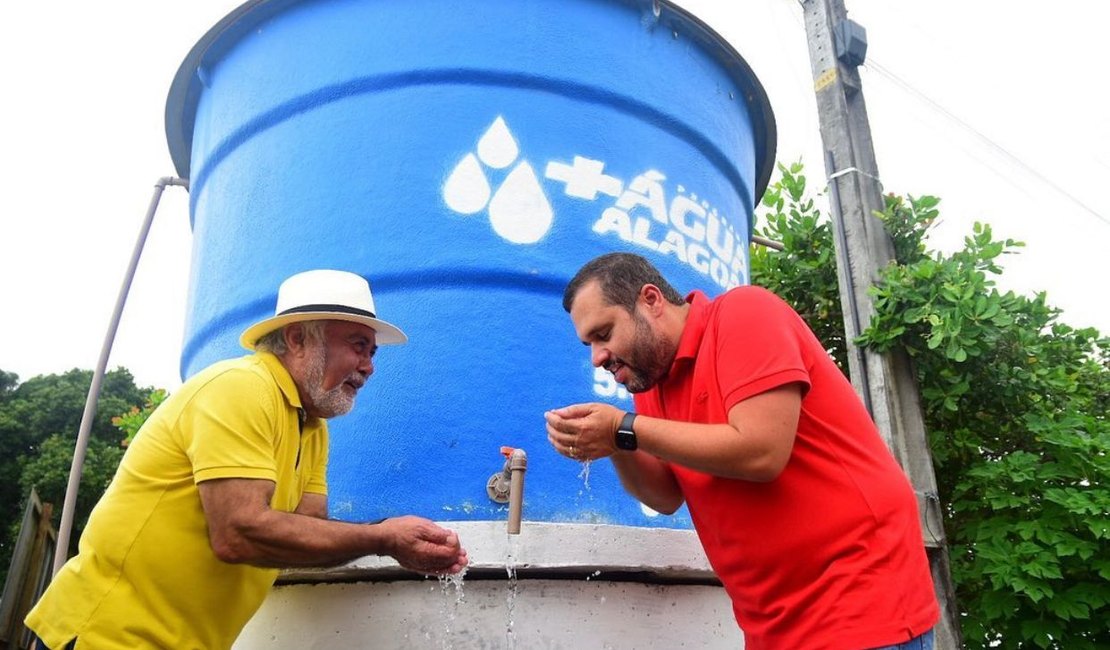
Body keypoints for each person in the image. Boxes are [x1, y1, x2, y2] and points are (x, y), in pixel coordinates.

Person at [26, 269, 468, 650]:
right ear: (297, 338)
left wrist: (387, 540)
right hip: (106, 636)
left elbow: (304, 537)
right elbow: (237, 534)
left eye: (372, 352)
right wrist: (384, 539)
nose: (369, 365)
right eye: (357, 345)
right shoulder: (239, 387)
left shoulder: (311, 427)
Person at [545, 253, 939, 650]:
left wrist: (623, 427)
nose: (597, 357)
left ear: (651, 300)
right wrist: (616, 445)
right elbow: (665, 496)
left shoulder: (744, 314)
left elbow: (761, 452)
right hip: (770, 625)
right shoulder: (654, 385)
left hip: (860, 602)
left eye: (604, 333)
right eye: (589, 343)